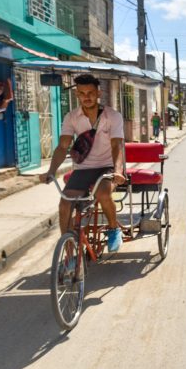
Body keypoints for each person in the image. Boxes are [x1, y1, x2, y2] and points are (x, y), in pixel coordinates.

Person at [39, 74, 126, 252]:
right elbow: (63, 146)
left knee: (103, 194)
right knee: (64, 204)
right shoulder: (72, 117)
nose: (86, 97)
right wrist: (51, 171)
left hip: (107, 166)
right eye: (82, 93)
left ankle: (113, 229)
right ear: (77, 95)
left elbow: (117, 145)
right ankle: (69, 252)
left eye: (91, 93)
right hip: (83, 168)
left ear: (99, 93)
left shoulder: (113, 116)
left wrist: (118, 171)